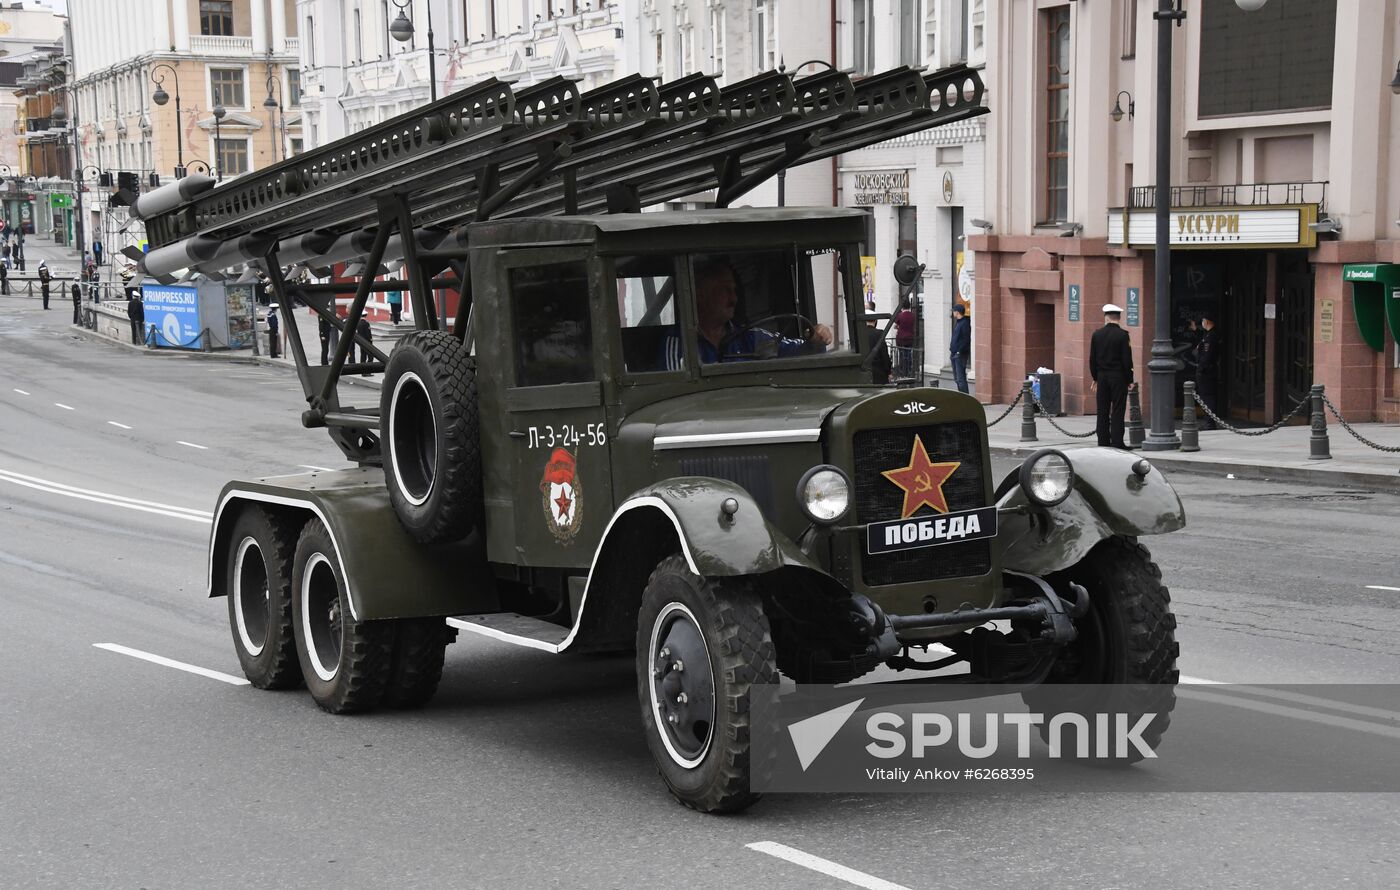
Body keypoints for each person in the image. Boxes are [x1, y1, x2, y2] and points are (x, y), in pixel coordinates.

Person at [659, 260, 832, 370]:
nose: (734, 298)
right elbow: (678, 390)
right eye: (724, 290)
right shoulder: (679, 342)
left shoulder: (751, 337)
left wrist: (815, 340)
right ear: (701, 295)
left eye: (734, 290)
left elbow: (797, 350)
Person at [1089, 303, 1135, 449]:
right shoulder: (1123, 335)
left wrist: (1095, 378)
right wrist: (1129, 380)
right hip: (1118, 377)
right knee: (1118, 409)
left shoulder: (1097, 334)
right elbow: (1127, 360)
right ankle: (1117, 442)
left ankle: (1102, 441)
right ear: (1119, 318)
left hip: (1102, 377)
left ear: (1106, 317)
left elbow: (1092, 359)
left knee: (1102, 410)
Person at [1195, 311, 1221, 429]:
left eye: (1203, 320)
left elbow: (1207, 355)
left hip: (1207, 371)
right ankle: (1208, 421)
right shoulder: (1207, 335)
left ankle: (1210, 422)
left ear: (1207, 321)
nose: (1202, 323)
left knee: (1208, 397)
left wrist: (1201, 368)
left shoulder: (1211, 336)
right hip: (1205, 370)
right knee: (1205, 397)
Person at [949, 303, 971, 394]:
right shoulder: (958, 323)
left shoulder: (964, 323)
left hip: (960, 354)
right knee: (957, 379)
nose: (953, 313)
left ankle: (966, 397)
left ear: (957, 312)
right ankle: (962, 396)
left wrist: (959, 351)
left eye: (954, 311)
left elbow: (966, 339)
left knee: (961, 378)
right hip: (954, 353)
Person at [893, 297, 916, 379]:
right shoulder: (912, 316)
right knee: (908, 354)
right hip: (910, 338)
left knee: (902, 355)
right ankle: (909, 371)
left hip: (901, 338)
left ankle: (903, 373)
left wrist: (898, 327)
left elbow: (895, 325)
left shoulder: (900, 315)